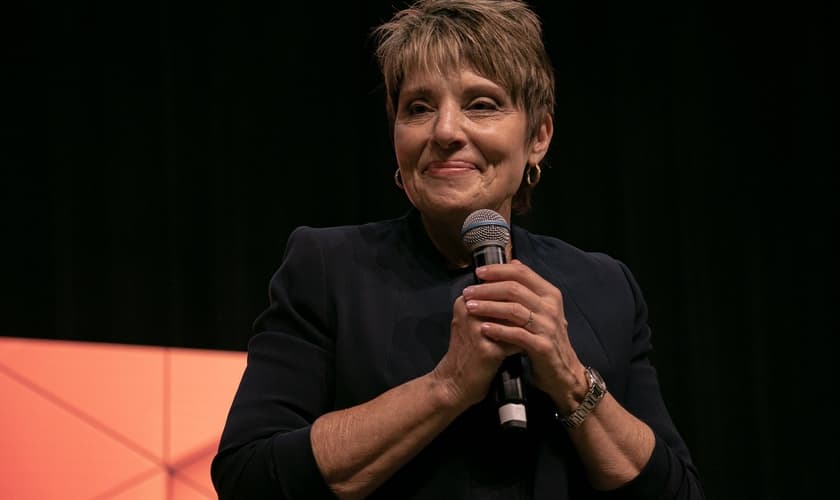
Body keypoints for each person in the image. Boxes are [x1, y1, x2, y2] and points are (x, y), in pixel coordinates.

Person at [210, 0, 705, 498]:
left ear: (538, 136)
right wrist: (445, 386)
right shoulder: (327, 268)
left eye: (481, 104)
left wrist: (570, 378)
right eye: (418, 108)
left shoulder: (604, 288)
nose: (445, 131)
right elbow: (249, 477)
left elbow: (680, 492)